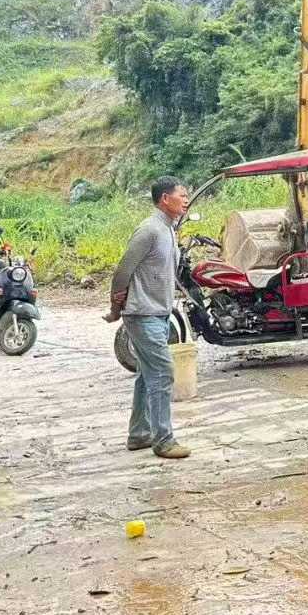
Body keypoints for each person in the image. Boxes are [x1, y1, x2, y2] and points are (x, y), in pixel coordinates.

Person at [105, 176, 191, 459]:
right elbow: (122, 272)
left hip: (158, 313)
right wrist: (116, 309)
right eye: (182, 195)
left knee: (146, 375)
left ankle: (139, 434)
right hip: (142, 315)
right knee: (163, 374)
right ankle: (163, 440)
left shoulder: (168, 229)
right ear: (165, 199)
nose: (186, 199)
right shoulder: (149, 230)